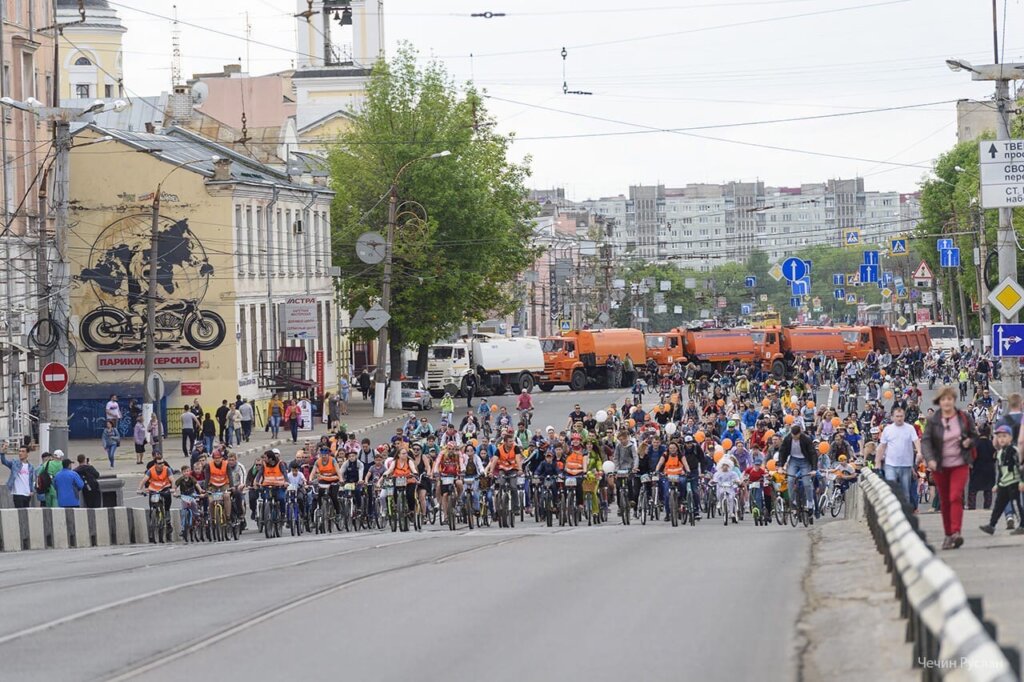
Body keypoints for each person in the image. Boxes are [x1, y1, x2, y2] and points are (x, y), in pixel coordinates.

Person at [921, 386, 978, 550]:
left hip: (960, 463)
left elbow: (975, 436)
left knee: (955, 497)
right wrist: (929, 459)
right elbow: (926, 442)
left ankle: (956, 533)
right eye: (944, 399)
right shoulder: (933, 420)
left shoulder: (963, 417)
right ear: (939, 402)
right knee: (945, 500)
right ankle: (948, 534)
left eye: (950, 399)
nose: (947, 402)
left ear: (954, 400)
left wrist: (969, 442)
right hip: (940, 466)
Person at [978, 424, 1024, 536]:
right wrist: (997, 484)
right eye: (999, 437)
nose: (1001, 439)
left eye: (1004, 436)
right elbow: (1000, 471)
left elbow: (1020, 467)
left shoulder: (1014, 451)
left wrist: (1022, 481)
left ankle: (1022, 525)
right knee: (998, 506)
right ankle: (991, 525)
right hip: (1004, 483)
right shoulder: (999, 453)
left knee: (1016, 505)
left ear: (1011, 438)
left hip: (1014, 483)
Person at [877, 407, 921, 505]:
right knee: (891, 487)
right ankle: (892, 510)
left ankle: (905, 513)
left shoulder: (910, 428)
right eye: (897, 416)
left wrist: (919, 452)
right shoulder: (887, 430)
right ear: (892, 417)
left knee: (905, 491)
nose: (899, 418)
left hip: (906, 464)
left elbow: (916, 440)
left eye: (901, 416)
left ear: (904, 417)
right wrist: (878, 462)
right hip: (890, 464)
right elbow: (882, 447)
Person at [779, 424, 816, 513]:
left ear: (800, 433)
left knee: (806, 483)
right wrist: (780, 466)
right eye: (793, 436)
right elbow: (782, 452)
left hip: (805, 461)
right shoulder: (787, 438)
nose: (794, 438)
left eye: (796, 436)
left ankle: (810, 502)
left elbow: (812, 453)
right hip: (793, 460)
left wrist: (814, 469)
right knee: (790, 480)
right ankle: (793, 501)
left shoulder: (806, 439)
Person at [1, 442, 35, 508]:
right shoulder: (14, 463)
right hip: (18, 493)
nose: (20, 453)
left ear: (27, 453)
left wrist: (31, 490)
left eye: (23, 451)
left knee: (26, 514)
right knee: (20, 514)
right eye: (19, 451)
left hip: (27, 494)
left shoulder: (31, 466)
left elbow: (31, 480)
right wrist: (2, 452)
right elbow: (4, 461)